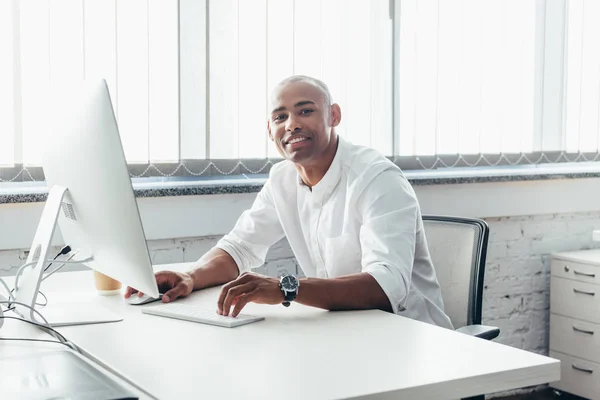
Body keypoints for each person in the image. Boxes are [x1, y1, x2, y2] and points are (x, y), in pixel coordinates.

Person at [125, 75, 453, 329]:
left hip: (411, 336)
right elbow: (239, 248)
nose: (292, 124)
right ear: (270, 131)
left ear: (333, 115)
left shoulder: (376, 178)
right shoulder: (282, 179)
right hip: (347, 330)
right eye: (280, 117)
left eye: (305, 111)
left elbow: (387, 287)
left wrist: (286, 288)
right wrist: (192, 277)